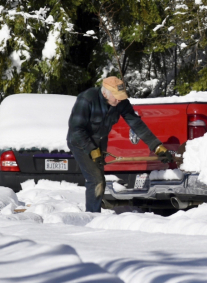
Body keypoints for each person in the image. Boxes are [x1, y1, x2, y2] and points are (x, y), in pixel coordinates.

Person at [66, 77, 172, 212]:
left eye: (121, 96)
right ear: (105, 93)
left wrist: (157, 146)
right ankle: (92, 216)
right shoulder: (87, 99)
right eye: (116, 96)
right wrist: (92, 150)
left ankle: (94, 211)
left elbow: (136, 124)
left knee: (98, 179)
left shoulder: (120, 102)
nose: (119, 100)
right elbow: (76, 129)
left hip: (100, 142)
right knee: (96, 180)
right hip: (80, 141)